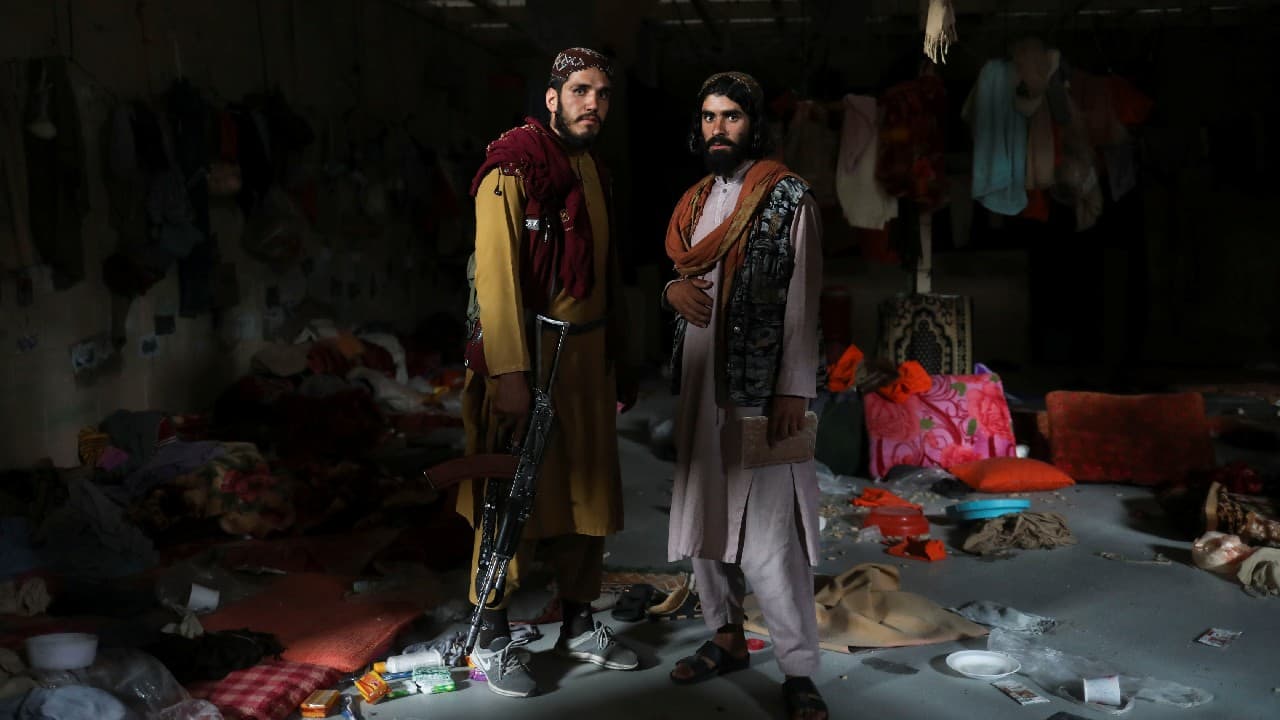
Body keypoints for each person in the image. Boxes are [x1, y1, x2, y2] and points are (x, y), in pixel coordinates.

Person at [458, 47, 638, 698]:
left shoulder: (591, 167)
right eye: (581, 91)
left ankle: (580, 621)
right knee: (512, 498)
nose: (594, 103)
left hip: (587, 360)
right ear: (552, 99)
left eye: (604, 93)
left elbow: (607, 271)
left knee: (588, 492)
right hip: (531, 359)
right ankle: (495, 634)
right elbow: (497, 275)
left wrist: (621, 349)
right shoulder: (514, 168)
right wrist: (508, 372)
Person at [662, 71, 828, 720]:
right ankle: (726, 640)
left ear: (752, 125)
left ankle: (799, 671)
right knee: (706, 525)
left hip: (765, 395)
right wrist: (668, 294)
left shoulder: (789, 197)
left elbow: (804, 297)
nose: (718, 128)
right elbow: (683, 277)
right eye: (708, 117)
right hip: (699, 389)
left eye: (730, 117)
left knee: (770, 538)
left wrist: (796, 388)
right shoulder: (696, 202)